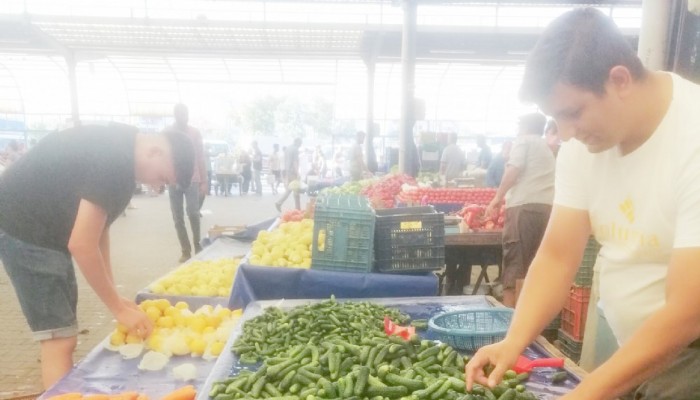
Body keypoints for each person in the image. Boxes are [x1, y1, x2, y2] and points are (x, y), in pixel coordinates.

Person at [467, 8, 700, 400]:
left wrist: (587, 392)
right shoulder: (585, 146)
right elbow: (558, 256)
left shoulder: (692, 135)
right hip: (639, 347)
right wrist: (514, 341)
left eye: (572, 113)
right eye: (556, 118)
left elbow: (688, 311)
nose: (566, 133)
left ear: (619, 80)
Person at [0, 123, 194, 389]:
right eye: (162, 178)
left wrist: (115, 295)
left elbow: (98, 231)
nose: (156, 187)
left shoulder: (123, 148)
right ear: (155, 152)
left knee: (63, 333)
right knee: (59, 339)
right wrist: (116, 307)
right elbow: (81, 244)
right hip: (25, 227)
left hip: (44, 227)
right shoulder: (115, 163)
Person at [485, 113, 554, 307]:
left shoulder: (523, 141)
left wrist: (497, 198)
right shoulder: (544, 147)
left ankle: (510, 319)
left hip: (523, 208)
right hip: (544, 209)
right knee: (533, 265)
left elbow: (514, 169)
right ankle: (528, 319)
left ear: (524, 126)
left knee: (515, 263)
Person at [167, 104, 207, 263]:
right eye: (180, 114)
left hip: (193, 178)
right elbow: (164, 156)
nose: (183, 116)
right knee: (177, 217)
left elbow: (201, 157)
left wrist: (205, 181)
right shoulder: (168, 133)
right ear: (175, 115)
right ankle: (185, 250)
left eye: (186, 114)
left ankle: (197, 245)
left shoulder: (195, 133)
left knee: (193, 212)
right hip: (173, 179)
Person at [275, 138, 302, 212]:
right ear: (297, 142)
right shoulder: (295, 149)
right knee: (296, 190)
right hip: (293, 172)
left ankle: (279, 202)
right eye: (300, 143)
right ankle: (298, 209)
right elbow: (294, 162)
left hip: (288, 171)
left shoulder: (288, 148)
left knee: (290, 189)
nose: (300, 145)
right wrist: (297, 172)